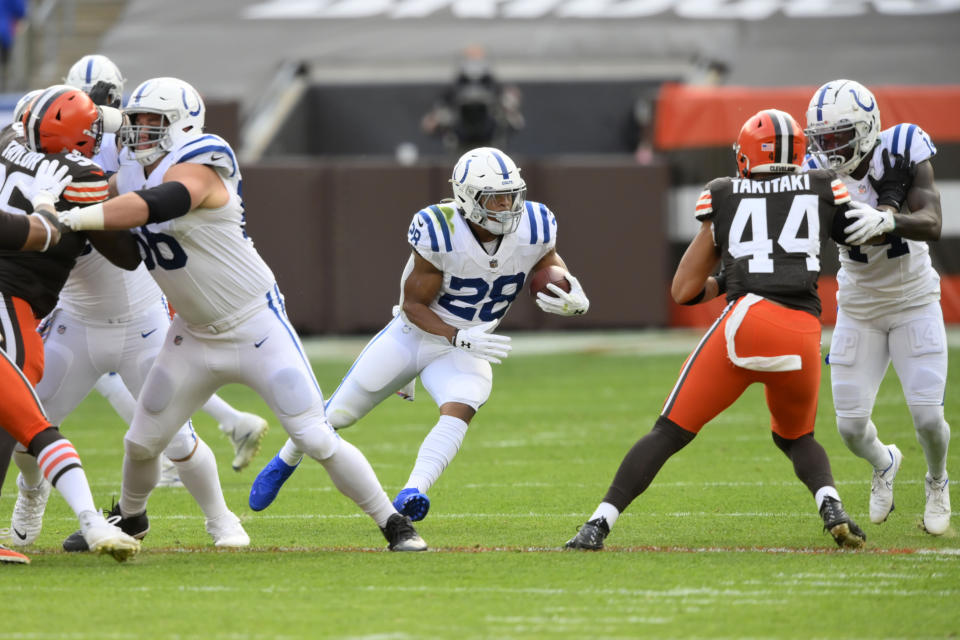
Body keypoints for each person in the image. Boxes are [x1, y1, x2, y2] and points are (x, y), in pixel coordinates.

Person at [56, 76, 427, 551]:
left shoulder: (205, 158)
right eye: (136, 119)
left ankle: (393, 522)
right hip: (190, 333)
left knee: (314, 437)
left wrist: (85, 213)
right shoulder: (128, 172)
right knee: (141, 441)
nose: (140, 130)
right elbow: (129, 254)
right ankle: (130, 519)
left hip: (254, 324)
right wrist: (75, 204)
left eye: (154, 121)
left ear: (183, 124)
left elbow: (166, 200)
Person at [566, 109, 871, 551]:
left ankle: (598, 524)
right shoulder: (825, 187)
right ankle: (832, 505)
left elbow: (683, 291)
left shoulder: (725, 193)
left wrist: (729, 279)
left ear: (748, 155)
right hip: (803, 332)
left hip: (746, 324)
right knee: (797, 437)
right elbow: (862, 238)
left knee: (668, 432)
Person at [248, 146, 590, 523]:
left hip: (468, 344)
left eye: (512, 195)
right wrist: (457, 335)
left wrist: (572, 291)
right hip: (415, 336)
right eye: (496, 199)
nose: (508, 206)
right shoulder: (439, 230)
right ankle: (286, 459)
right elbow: (413, 306)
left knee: (462, 406)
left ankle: (414, 490)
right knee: (337, 415)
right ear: (467, 198)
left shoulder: (536, 224)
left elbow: (547, 262)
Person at [6, 61, 253, 551]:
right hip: (75, 320)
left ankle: (223, 520)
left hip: (139, 319)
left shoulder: (119, 142)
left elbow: (126, 254)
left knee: (175, 437)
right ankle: (30, 497)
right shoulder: (45, 150)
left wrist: (83, 211)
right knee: (25, 429)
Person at [64, 54, 271, 481]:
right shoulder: (116, 131)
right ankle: (223, 425)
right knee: (137, 365)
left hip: (128, 256)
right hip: (110, 251)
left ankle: (185, 447)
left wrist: (81, 214)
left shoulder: (165, 144)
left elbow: (143, 198)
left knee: (134, 363)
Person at [0, 84, 144, 561]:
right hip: (13, 305)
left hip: (21, 303)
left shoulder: (5, 141)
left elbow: (42, 126)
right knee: (26, 422)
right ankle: (91, 521)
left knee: (28, 421)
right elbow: (121, 254)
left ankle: (88, 520)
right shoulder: (80, 175)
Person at [804, 79, 950, 535]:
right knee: (849, 428)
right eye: (821, 140)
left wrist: (889, 217)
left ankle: (937, 480)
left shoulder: (904, 146)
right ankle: (884, 462)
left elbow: (933, 222)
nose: (828, 150)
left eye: (837, 138)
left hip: (913, 300)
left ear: (867, 129)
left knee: (928, 417)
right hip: (859, 305)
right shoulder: (816, 172)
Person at [421, 46, 524, 153]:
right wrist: (438, 119)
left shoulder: (493, 86)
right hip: (461, 142)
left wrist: (509, 108)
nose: (474, 63)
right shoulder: (455, 88)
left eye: (477, 58)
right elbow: (431, 122)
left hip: (490, 142)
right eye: (471, 58)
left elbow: (516, 121)